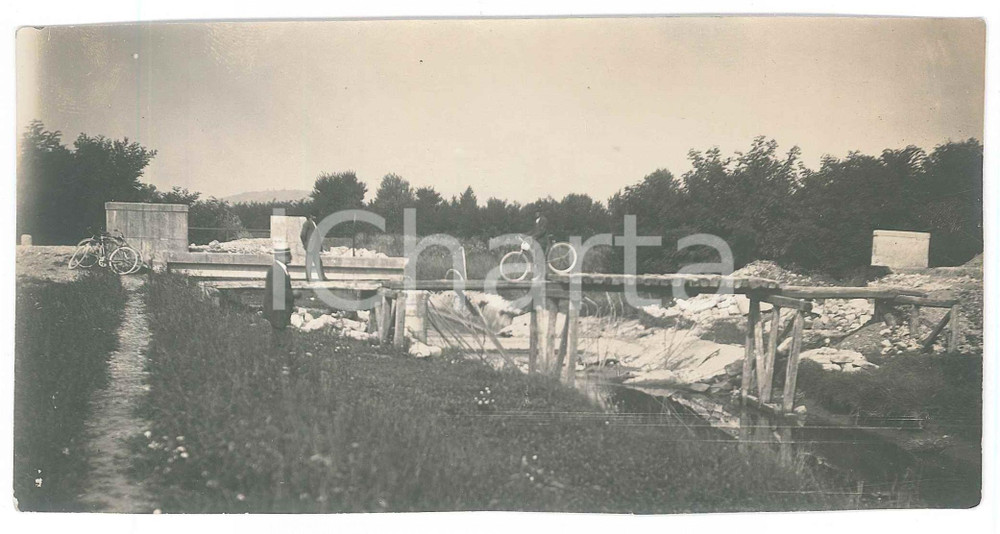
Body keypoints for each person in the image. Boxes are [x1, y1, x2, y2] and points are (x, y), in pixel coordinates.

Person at [263, 244, 295, 330]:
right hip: (277, 312)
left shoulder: (280, 268)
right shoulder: (277, 270)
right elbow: (279, 292)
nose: (290, 257)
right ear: (280, 256)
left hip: (279, 311)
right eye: (287, 255)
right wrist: (293, 294)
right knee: (279, 334)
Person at [299, 214, 327, 281]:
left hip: (315, 247)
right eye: (314, 216)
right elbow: (302, 235)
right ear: (310, 216)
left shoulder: (314, 224)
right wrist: (306, 245)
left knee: (318, 262)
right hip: (310, 247)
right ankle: (309, 277)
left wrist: (320, 247)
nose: (315, 217)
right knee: (309, 262)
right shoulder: (307, 223)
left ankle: (321, 277)